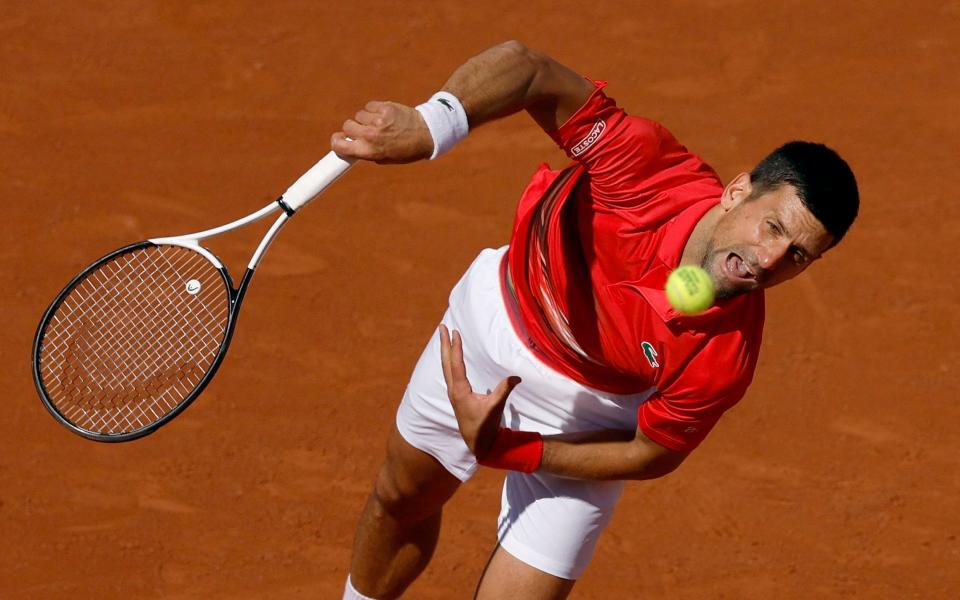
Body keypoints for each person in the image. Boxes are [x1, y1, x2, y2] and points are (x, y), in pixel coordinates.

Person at [330, 40, 859, 600]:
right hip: (490, 331)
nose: (772, 261)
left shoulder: (724, 359)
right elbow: (530, 70)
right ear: (736, 192)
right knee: (402, 497)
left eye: (799, 255)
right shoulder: (646, 171)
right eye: (773, 228)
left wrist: (514, 450)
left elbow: (650, 453)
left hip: (591, 416)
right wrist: (431, 125)